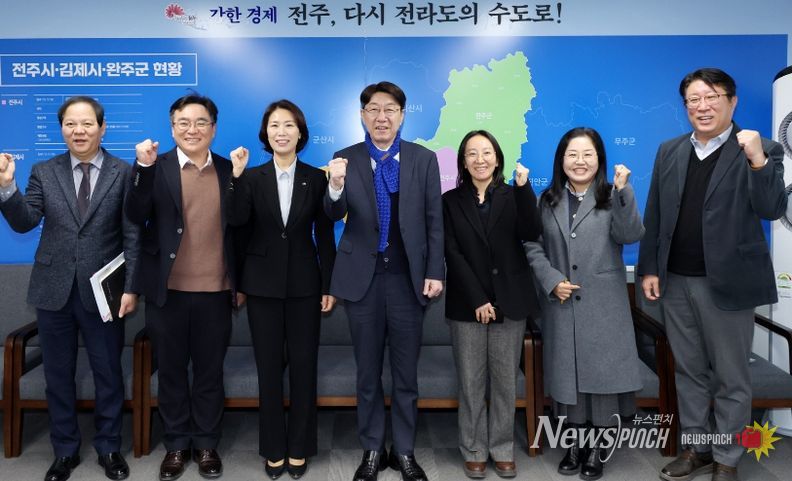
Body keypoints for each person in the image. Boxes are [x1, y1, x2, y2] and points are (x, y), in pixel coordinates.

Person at [637, 68, 787, 481]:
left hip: (728, 284)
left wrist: (757, 160)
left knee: (730, 376)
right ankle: (697, 448)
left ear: (732, 102)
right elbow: (655, 212)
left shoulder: (762, 148)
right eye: (693, 99)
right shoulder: (670, 150)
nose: (702, 106)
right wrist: (649, 268)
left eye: (711, 97)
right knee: (688, 371)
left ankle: (727, 458)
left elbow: (772, 207)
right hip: (676, 281)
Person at [0, 96, 138, 481]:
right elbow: (25, 222)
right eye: (70, 124)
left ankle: (109, 448)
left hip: (104, 292)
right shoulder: (44, 171)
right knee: (58, 376)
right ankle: (64, 451)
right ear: (62, 129)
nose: (79, 131)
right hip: (53, 289)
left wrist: (131, 287)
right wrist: (7, 188)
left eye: (87, 124)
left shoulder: (123, 172)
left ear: (102, 128)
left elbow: (132, 235)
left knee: (108, 372)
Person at [324, 81, 444, 481]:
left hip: (408, 281)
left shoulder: (423, 159)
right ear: (362, 115)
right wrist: (335, 185)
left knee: (406, 374)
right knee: (367, 373)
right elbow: (331, 213)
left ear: (402, 115)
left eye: (390, 109)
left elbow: (434, 222)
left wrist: (434, 271)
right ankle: (373, 449)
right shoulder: (345, 158)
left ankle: (404, 451)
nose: (381, 117)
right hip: (363, 281)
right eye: (373, 109)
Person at [124, 94, 237, 481]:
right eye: (183, 123)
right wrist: (143, 168)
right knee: (171, 372)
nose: (192, 129)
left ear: (213, 129)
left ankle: (205, 443)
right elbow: (134, 213)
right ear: (172, 129)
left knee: (209, 373)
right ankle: (175, 444)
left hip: (216, 291)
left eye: (201, 122)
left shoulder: (229, 171)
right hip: (167, 292)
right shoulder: (155, 167)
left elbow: (241, 229)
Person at [525, 127, 644, 480]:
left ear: (599, 159)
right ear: (561, 160)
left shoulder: (613, 195)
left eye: (588, 154)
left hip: (605, 306)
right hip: (562, 305)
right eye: (572, 154)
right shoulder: (547, 200)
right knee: (569, 379)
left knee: (601, 378)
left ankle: (598, 448)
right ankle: (574, 444)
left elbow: (630, 234)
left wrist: (624, 191)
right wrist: (551, 280)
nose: (580, 161)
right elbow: (532, 245)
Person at [227, 99, 336, 480]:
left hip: (305, 285)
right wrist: (236, 177)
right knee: (268, 370)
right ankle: (273, 448)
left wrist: (328, 284)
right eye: (275, 125)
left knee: (304, 368)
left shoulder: (317, 178)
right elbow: (236, 223)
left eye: (289, 125)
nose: (281, 132)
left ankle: (300, 447)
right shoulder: (251, 177)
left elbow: (325, 235)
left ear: (300, 133)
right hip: (262, 287)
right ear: (266, 133)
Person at [442, 130, 541, 479]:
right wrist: (479, 299)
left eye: (486, 152)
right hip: (466, 304)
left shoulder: (514, 195)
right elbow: (451, 252)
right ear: (463, 161)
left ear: (497, 158)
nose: (480, 159)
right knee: (470, 383)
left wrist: (524, 189)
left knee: (504, 382)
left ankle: (502, 449)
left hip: (510, 301)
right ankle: (473, 449)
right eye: (472, 153)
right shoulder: (450, 201)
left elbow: (531, 231)